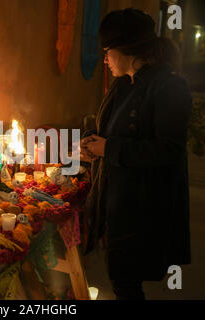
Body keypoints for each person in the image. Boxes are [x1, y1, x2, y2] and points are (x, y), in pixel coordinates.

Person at [81, 8, 192, 300]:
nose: (104, 59)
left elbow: (169, 150)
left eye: (108, 51)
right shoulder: (125, 84)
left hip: (144, 205)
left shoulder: (169, 87)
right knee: (122, 279)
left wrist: (109, 148)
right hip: (120, 199)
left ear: (128, 50)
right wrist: (92, 145)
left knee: (127, 283)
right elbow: (113, 131)